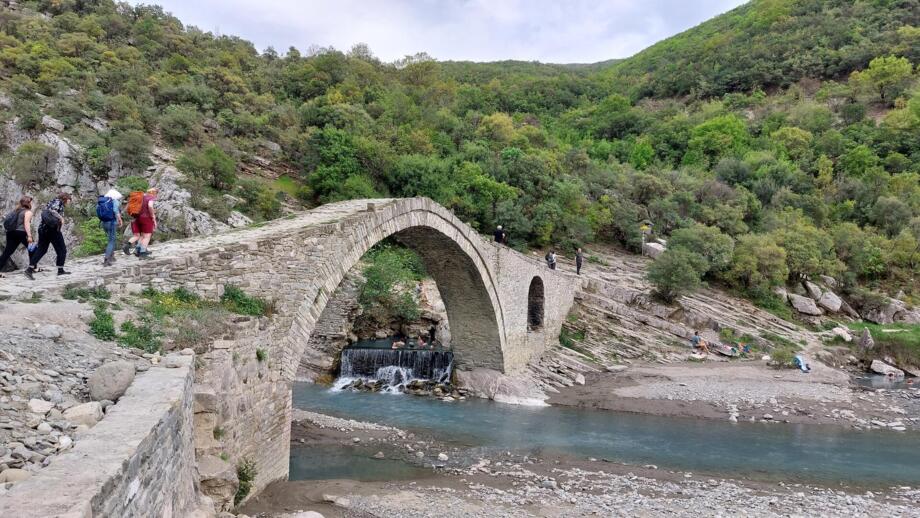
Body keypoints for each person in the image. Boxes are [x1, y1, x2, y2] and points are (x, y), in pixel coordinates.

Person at [25, 193, 72, 279]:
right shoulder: (58, 202)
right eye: (69, 199)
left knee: (42, 249)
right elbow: (53, 211)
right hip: (52, 230)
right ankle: (60, 270)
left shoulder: (51, 202)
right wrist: (61, 218)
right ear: (65, 198)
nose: (70, 202)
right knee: (62, 250)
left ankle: (29, 269)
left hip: (43, 229)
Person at [0, 196, 34, 278]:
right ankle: (32, 267)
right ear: (28, 203)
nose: (32, 203)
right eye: (31, 202)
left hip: (11, 232)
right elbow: (26, 224)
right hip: (21, 232)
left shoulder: (16, 210)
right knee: (33, 249)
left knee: (7, 252)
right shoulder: (28, 212)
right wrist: (29, 236)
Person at [128, 188, 158, 258]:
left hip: (138, 218)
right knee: (147, 236)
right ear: (154, 193)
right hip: (146, 218)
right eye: (156, 193)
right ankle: (143, 253)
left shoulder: (141, 197)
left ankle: (138, 250)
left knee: (143, 235)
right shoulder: (150, 197)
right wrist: (153, 216)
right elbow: (150, 206)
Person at [97, 189, 123, 267]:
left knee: (110, 239)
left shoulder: (101, 201)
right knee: (111, 240)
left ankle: (112, 256)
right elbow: (116, 211)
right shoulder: (114, 201)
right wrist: (120, 220)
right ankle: (107, 259)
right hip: (111, 222)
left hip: (103, 222)